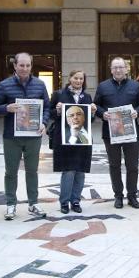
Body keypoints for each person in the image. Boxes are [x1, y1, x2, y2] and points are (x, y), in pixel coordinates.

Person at [0, 52, 50, 220]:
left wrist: (44, 123)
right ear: (15, 66)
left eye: (28, 65)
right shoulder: (4, 85)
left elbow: (47, 107)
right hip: (12, 136)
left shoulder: (40, 85)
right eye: (21, 65)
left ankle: (33, 203)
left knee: (32, 170)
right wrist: (6, 108)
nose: (24, 68)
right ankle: (11, 204)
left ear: (31, 66)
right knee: (10, 172)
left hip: (33, 135)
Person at [94, 57, 139, 209]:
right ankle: (118, 196)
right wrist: (102, 113)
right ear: (111, 70)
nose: (118, 70)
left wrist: (137, 112)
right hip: (111, 132)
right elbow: (96, 105)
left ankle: (132, 196)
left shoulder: (135, 86)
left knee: (133, 166)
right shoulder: (103, 86)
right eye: (115, 67)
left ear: (126, 69)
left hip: (131, 132)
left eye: (121, 67)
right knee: (114, 165)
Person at [49, 70, 97, 214]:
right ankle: (64, 202)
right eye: (76, 78)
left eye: (81, 78)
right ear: (69, 79)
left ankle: (75, 201)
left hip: (83, 138)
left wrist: (93, 113)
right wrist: (57, 110)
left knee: (80, 171)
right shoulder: (58, 94)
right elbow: (50, 113)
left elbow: (90, 120)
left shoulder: (87, 96)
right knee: (68, 171)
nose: (78, 81)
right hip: (65, 138)